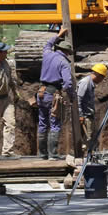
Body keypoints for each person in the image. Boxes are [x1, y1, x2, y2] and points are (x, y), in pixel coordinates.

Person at [35, 27, 75, 159]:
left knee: (42, 123)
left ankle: (42, 154)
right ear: (66, 52)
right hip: (52, 95)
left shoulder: (47, 54)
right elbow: (68, 83)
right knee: (55, 123)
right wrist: (71, 96)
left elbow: (47, 44)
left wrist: (58, 35)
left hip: (41, 93)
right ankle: (53, 154)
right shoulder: (64, 63)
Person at [76, 63, 107, 151]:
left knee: (92, 139)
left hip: (89, 116)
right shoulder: (85, 83)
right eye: (102, 77)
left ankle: (90, 157)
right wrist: (80, 115)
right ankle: (87, 159)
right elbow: (78, 99)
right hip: (85, 117)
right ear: (98, 75)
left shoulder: (90, 83)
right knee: (88, 141)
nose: (102, 80)